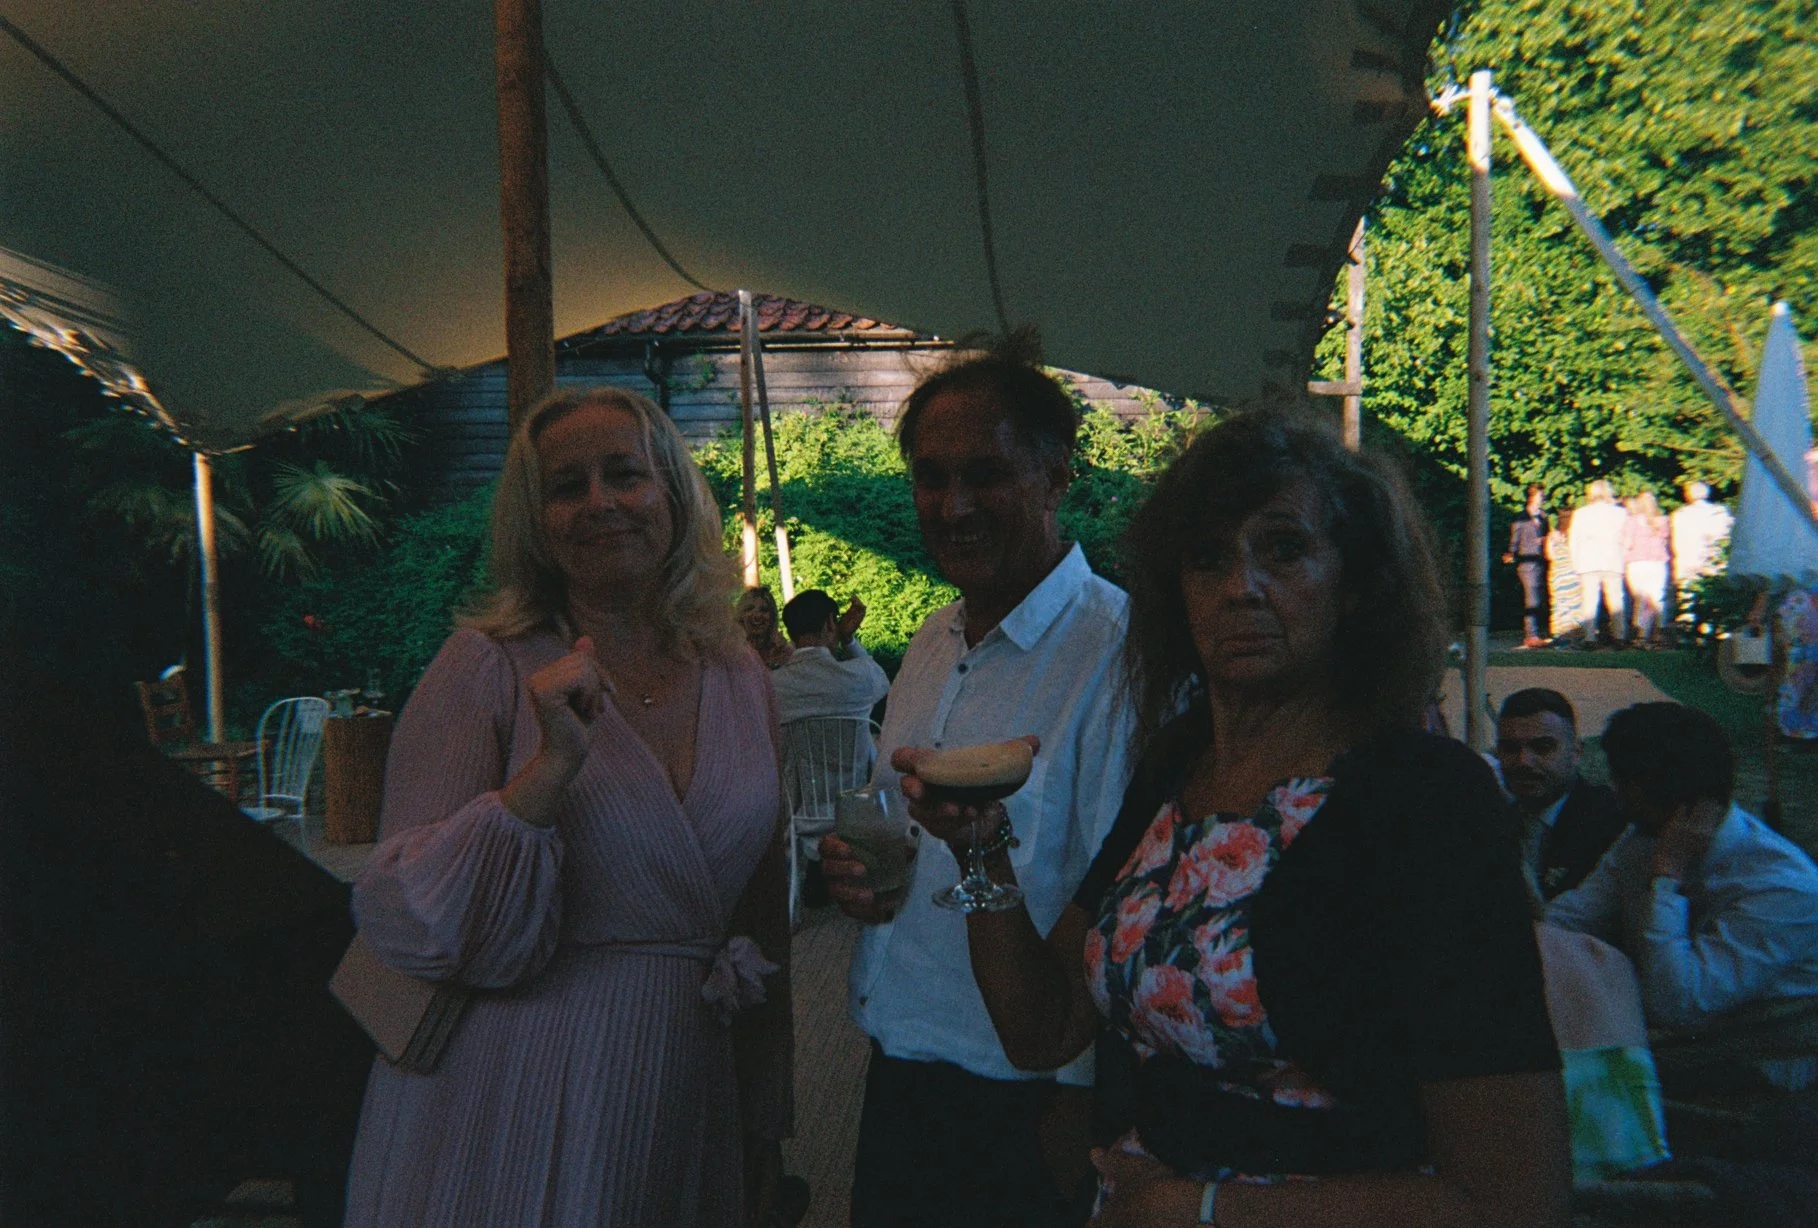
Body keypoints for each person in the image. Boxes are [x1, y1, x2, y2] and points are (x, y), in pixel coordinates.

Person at [893, 410, 1570, 1228]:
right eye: (1208, 557)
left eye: (1283, 549)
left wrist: (1205, 1208)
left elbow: (1516, 1199)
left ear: (1356, 582)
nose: (1240, 586)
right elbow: (1043, 1028)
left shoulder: (1422, 799)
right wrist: (981, 853)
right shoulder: (1178, 766)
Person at [343, 387, 793, 1227]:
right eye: (566, 487)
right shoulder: (483, 665)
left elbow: (763, 911)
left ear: (672, 494)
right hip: (502, 1092)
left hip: (681, 1086)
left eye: (624, 475)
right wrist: (547, 774)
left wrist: (767, 1110)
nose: (599, 504)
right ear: (535, 522)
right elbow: (400, 910)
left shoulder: (741, 676)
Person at [821, 340, 1135, 1227]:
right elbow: (900, 832)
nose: (953, 506)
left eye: (987, 474)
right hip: (899, 1058)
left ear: (1056, 476)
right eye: (931, 477)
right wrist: (856, 876)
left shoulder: (1118, 653)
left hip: (1025, 1097)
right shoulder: (932, 638)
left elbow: (1121, 902)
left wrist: (1080, 1104)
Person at [1547, 704, 1818, 1055]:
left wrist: (1666, 879)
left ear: (1642, 787)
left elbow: (1677, 1004)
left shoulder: (1782, 887)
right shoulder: (1643, 839)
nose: (1616, 794)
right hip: (1673, 1047)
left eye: (1622, 783)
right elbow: (1571, 919)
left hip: (1756, 1061)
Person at [1494, 688, 1625, 899]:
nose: (1523, 761)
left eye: (1542, 747)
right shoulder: (1496, 824)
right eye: (1510, 748)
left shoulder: (1610, 825)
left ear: (1576, 752)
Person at [773, 589, 890, 726]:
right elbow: (883, 685)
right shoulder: (861, 674)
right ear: (830, 622)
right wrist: (847, 639)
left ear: (790, 633)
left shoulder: (771, 684)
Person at [1570, 480, 1629, 646]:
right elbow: (1625, 539)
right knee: (1616, 600)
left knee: (1589, 601)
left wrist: (1575, 563)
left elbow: (1574, 540)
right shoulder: (1620, 513)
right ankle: (1619, 636)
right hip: (1613, 560)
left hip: (1588, 561)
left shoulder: (1581, 513)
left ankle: (1590, 637)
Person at [1670, 480, 1732, 622]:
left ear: (1689, 495)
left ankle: (1687, 630)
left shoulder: (1680, 515)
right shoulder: (1721, 513)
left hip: (1689, 562)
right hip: (1714, 562)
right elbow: (1725, 538)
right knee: (1714, 602)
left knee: (1688, 603)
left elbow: (1677, 543)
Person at [1621, 491, 1671, 647]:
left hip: (1636, 563)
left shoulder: (1631, 521)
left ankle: (1642, 633)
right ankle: (1658, 631)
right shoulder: (1662, 521)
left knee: (1642, 599)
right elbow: (1665, 541)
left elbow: (1627, 544)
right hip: (1657, 563)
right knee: (1657, 599)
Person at [1503, 484, 1550, 648]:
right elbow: (1514, 541)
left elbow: (1547, 536)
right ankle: (1531, 635)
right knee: (1532, 600)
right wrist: (1511, 554)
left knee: (1538, 599)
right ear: (1532, 497)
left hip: (1540, 562)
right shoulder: (1521, 518)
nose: (1543, 499)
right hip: (1527, 565)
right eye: (1540, 496)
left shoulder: (1543, 517)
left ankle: (1536, 632)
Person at [1546, 509, 1585, 642]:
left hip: (1558, 572)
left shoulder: (1553, 535)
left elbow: (1550, 555)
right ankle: (1574, 631)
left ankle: (1560, 632)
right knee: (1575, 604)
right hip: (1572, 572)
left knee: (1560, 603)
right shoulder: (1577, 534)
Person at [738, 584, 794, 669]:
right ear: (740, 615)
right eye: (749, 609)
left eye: (763, 610)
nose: (757, 615)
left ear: (772, 616)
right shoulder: (732, 651)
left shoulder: (785, 651)